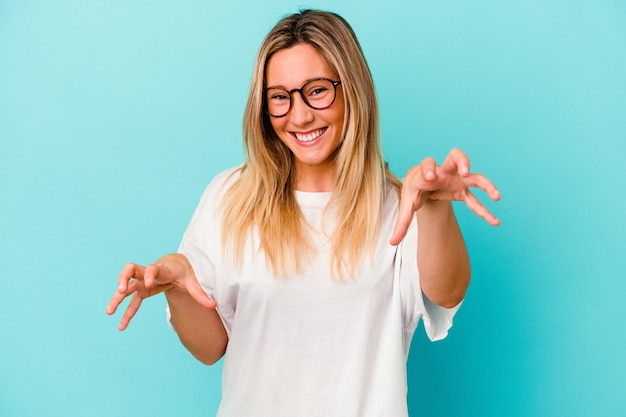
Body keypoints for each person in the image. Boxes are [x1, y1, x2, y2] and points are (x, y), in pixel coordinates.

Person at [106, 9, 500, 417]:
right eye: (280, 97)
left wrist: (432, 206)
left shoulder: (397, 207)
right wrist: (178, 285)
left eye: (317, 90)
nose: (299, 115)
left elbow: (447, 291)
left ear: (353, 90)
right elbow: (210, 349)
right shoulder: (229, 197)